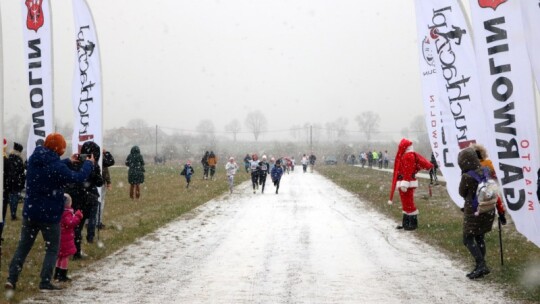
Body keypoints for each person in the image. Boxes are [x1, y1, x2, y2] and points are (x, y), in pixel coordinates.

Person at [5, 133, 94, 292]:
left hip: (30, 212)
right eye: (63, 148)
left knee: (23, 247)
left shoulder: (33, 159)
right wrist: (88, 164)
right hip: (49, 215)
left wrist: (68, 161)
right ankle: (45, 281)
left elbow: (50, 167)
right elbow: (78, 177)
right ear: (58, 148)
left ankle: (11, 279)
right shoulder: (57, 168)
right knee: (52, 248)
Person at [458, 147, 496, 279]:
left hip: (474, 211)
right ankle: (481, 266)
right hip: (487, 209)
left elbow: (462, 192)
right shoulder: (486, 170)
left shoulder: (467, 176)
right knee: (480, 237)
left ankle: (481, 265)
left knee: (467, 238)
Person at [65, 141, 104, 258]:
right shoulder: (92, 165)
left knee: (76, 225)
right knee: (87, 220)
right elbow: (99, 182)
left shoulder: (75, 163)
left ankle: (75, 250)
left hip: (75, 197)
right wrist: (94, 169)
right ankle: (88, 239)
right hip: (88, 197)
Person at [388, 138, 433, 231]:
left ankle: (412, 224)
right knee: (405, 202)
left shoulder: (409, 156)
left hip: (406, 183)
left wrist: (405, 183)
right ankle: (406, 223)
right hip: (404, 182)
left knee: (408, 202)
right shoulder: (407, 155)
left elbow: (408, 170)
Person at [470, 144, 507, 225]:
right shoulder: (487, 163)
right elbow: (494, 173)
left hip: (480, 186)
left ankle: (476, 212)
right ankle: (501, 213)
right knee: (496, 198)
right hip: (489, 184)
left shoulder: (472, 165)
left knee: (477, 198)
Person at [54, 194, 83, 282]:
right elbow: (70, 223)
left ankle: (57, 273)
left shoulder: (59, 211)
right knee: (65, 257)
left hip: (60, 237)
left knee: (59, 256)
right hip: (65, 239)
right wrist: (78, 216)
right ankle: (62, 274)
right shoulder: (67, 212)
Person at [7, 142, 25, 221]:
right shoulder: (19, 160)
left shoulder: (9, 157)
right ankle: (13, 214)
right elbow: (21, 172)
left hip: (10, 181)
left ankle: (12, 213)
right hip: (17, 181)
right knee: (15, 197)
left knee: (11, 197)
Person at [97, 149, 115, 229]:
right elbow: (110, 162)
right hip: (100, 181)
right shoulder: (99, 154)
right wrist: (106, 153)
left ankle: (90, 221)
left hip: (89, 182)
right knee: (100, 202)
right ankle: (98, 221)